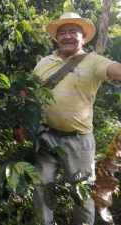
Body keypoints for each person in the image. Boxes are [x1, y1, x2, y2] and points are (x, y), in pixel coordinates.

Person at [32, 12, 121, 225]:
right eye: (63, 32)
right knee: (41, 187)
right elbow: (30, 93)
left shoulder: (93, 61)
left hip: (79, 140)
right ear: (57, 37)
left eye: (74, 31)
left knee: (82, 195)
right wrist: (20, 123)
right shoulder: (44, 62)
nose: (68, 36)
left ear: (83, 37)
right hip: (46, 136)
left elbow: (114, 70)